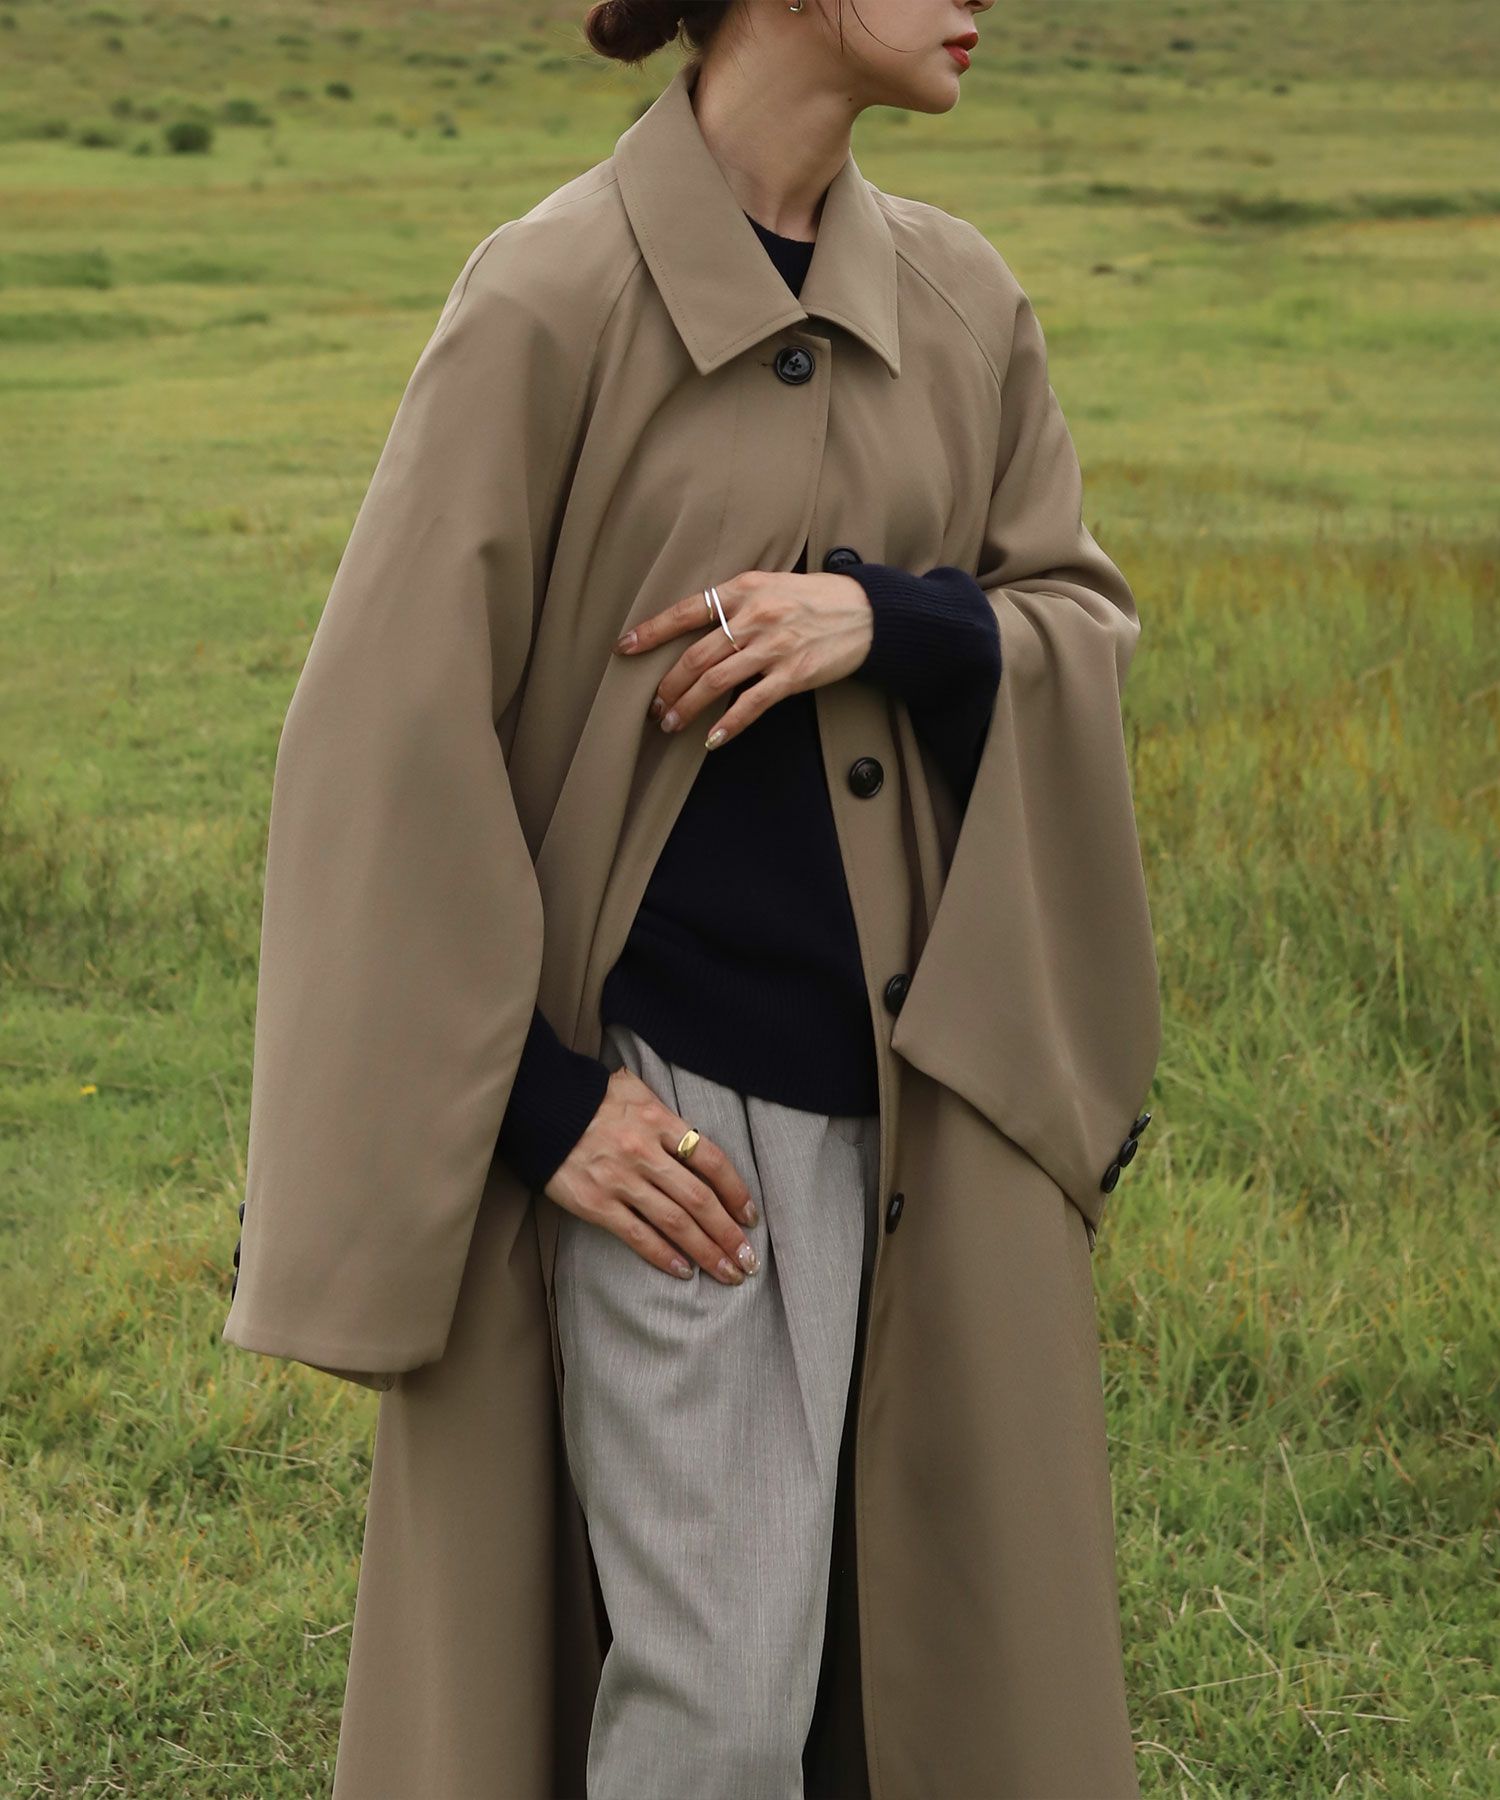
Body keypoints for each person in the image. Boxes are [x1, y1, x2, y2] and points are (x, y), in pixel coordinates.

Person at [224, 0, 1158, 1792]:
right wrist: (537, 1103)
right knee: (721, 1711)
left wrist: (891, 618)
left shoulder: (965, 305)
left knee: (927, 1685)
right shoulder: (549, 295)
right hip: (678, 1139)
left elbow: (1076, 632)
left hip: (932, 1118)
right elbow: (382, 733)